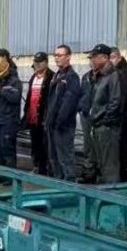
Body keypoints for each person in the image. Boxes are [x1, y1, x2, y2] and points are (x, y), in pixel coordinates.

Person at [77, 44, 122, 184]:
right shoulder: (95, 75)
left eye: (95, 57)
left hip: (106, 126)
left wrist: (105, 121)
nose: (92, 60)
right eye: (91, 58)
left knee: (109, 164)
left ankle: (112, 191)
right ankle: (103, 189)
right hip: (96, 124)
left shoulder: (113, 75)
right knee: (100, 161)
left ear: (105, 57)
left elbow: (115, 101)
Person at [44, 45, 81, 181]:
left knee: (65, 157)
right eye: (55, 55)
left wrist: (59, 122)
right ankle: (58, 183)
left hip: (63, 126)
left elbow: (69, 103)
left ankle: (69, 184)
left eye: (60, 55)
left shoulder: (71, 77)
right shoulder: (57, 76)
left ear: (68, 57)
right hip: (52, 124)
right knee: (54, 158)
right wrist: (48, 121)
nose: (56, 58)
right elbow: (51, 101)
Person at [0, 54, 23, 183]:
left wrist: (1, 90)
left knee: (8, 149)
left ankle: (11, 177)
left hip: (9, 121)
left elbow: (15, 98)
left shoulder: (15, 81)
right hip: (0, 119)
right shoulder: (2, 81)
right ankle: (2, 175)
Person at [23, 51, 53, 175]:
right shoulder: (33, 77)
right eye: (36, 62)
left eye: (40, 62)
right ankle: (36, 166)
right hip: (33, 117)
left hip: (44, 118)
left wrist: (47, 116)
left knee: (45, 145)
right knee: (35, 143)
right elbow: (29, 97)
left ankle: (45, 169)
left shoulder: (51, 77)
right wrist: (26, 113)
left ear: (46, 62)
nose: (38, 64)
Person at [110, 48, 127, 179]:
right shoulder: (115, 72)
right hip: (120, 116)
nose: (110, 61)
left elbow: (125, 95)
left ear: (119, 57)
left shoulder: (124, 73)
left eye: (113, 57)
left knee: (122, 148)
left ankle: (121, 174)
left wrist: (115, 112)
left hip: (123, 117)